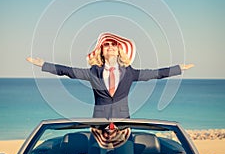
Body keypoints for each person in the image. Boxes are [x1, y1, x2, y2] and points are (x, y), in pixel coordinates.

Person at [26, 32, 194, 119]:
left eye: (114, 45)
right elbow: (68, 71)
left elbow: (155, 74)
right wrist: (43, 64)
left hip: (123, 123)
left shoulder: (130, 73)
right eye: (106, 46)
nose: (110, 47)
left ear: (119, 50)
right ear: (101, 51)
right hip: (98, 122)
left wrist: (178, 68)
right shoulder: (93, 73)